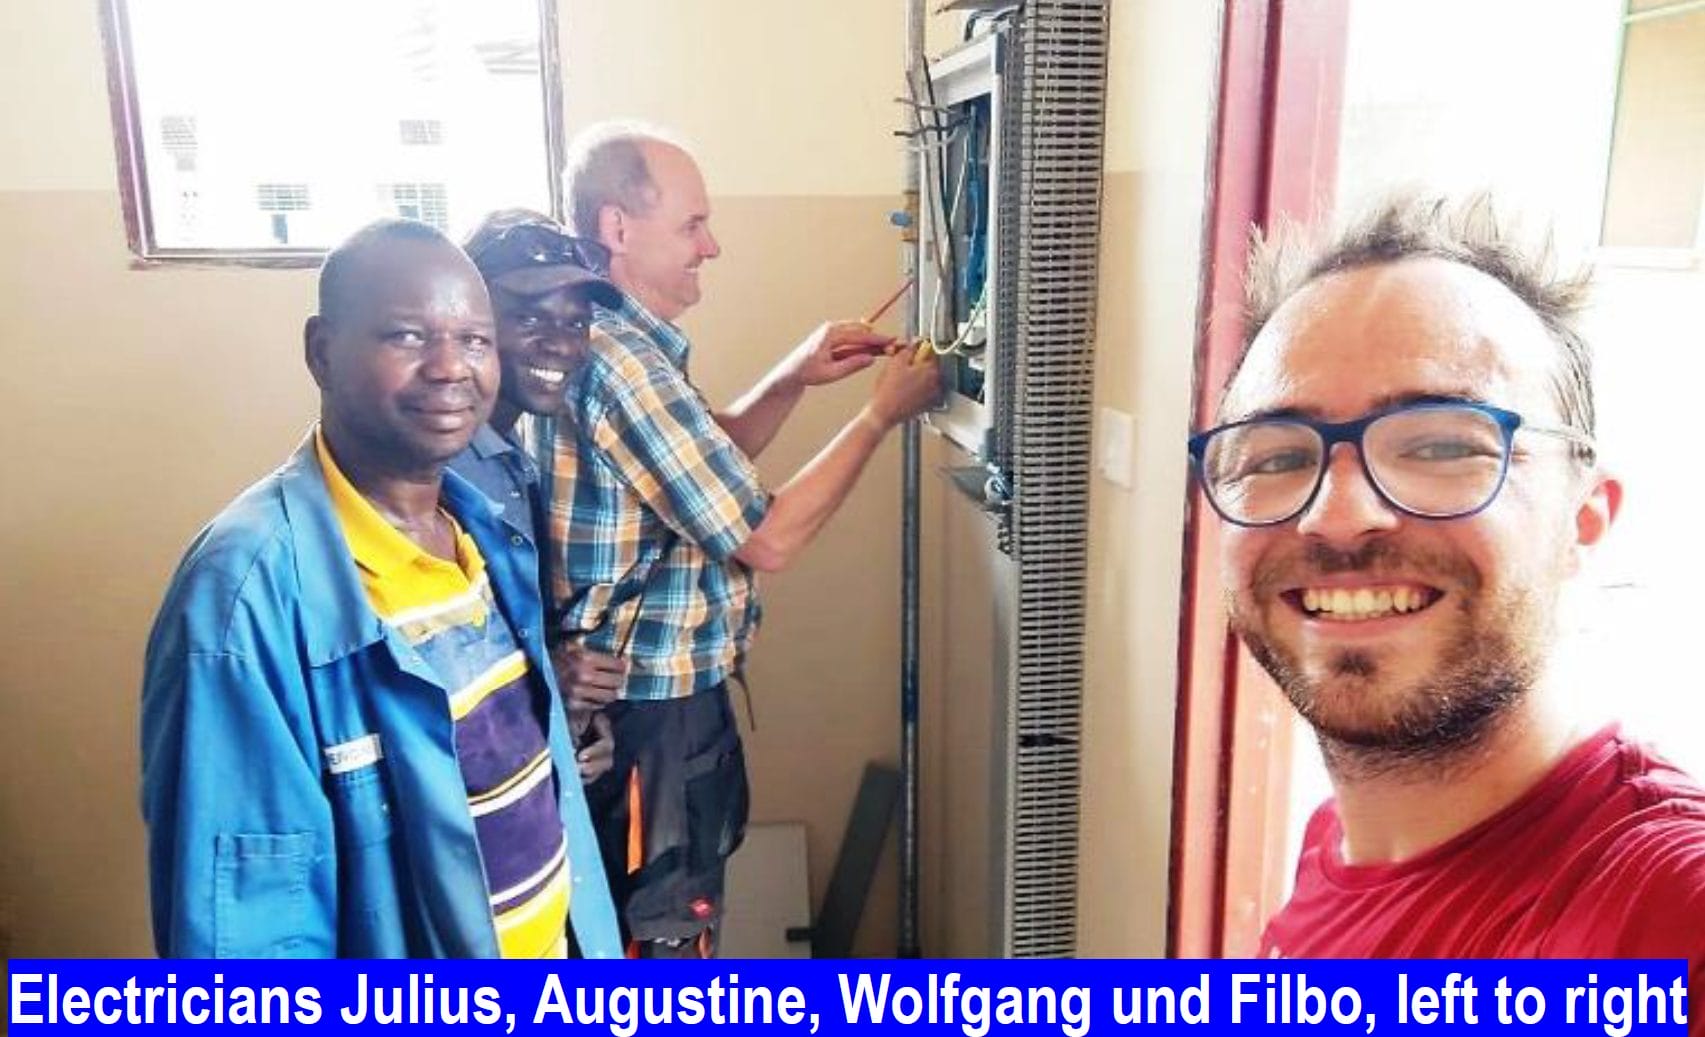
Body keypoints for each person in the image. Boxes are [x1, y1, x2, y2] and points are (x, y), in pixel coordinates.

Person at [1191, 195, 1705, 972]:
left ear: (1584, 519)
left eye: (1438, 445)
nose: (1337, 517)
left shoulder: (1663, 912)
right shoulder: (1339, 836)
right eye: (1275, 457)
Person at [140, 219, 620, 958]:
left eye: (475, 339)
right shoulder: (245, 594)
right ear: (322, 353)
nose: (451, 367)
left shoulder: (486, 534)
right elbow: (247, 930)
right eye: (406, 336)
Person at [543, 121, 943, 956]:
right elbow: (763, 537)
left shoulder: (614, 344)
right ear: (617, 228)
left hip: (651, 713)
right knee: (665, 941)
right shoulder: (622, 365)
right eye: (692, 225)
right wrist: (879, 415)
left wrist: (794, 375)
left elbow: (696, 467)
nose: (711, 246)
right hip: (652, 722)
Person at [449, 209, 625, 787]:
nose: (561, 345)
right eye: (529, 317)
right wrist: (550, 680)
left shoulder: (509, 457)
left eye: (576, 324)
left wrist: (569, 714)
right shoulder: (440, 473)